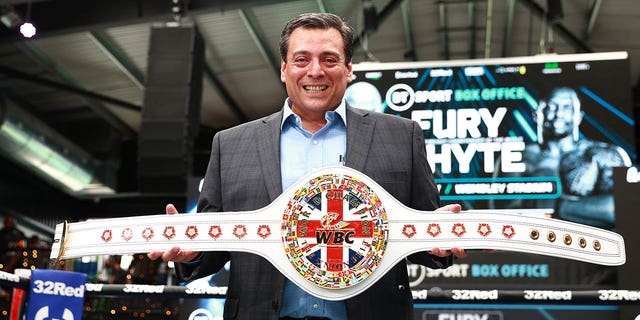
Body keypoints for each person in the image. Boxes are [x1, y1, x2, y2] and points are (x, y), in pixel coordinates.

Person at [149, 13, 466, 320]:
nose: (315, 71)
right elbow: (215, 246)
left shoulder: (401, 136)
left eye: (329, 59)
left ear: (348, 70)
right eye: (302, 60)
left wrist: (439, 241)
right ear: (284, 69)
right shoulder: (231, 144)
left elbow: (426, 240)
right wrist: (192, 252)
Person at [524, 87, 631, 228]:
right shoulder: (518, 157)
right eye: (551, 106)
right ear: (536, 115)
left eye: (567, 108)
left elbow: (622, 209)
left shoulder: (604, 155)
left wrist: (556, 208)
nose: (559, 114)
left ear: (579, 116)